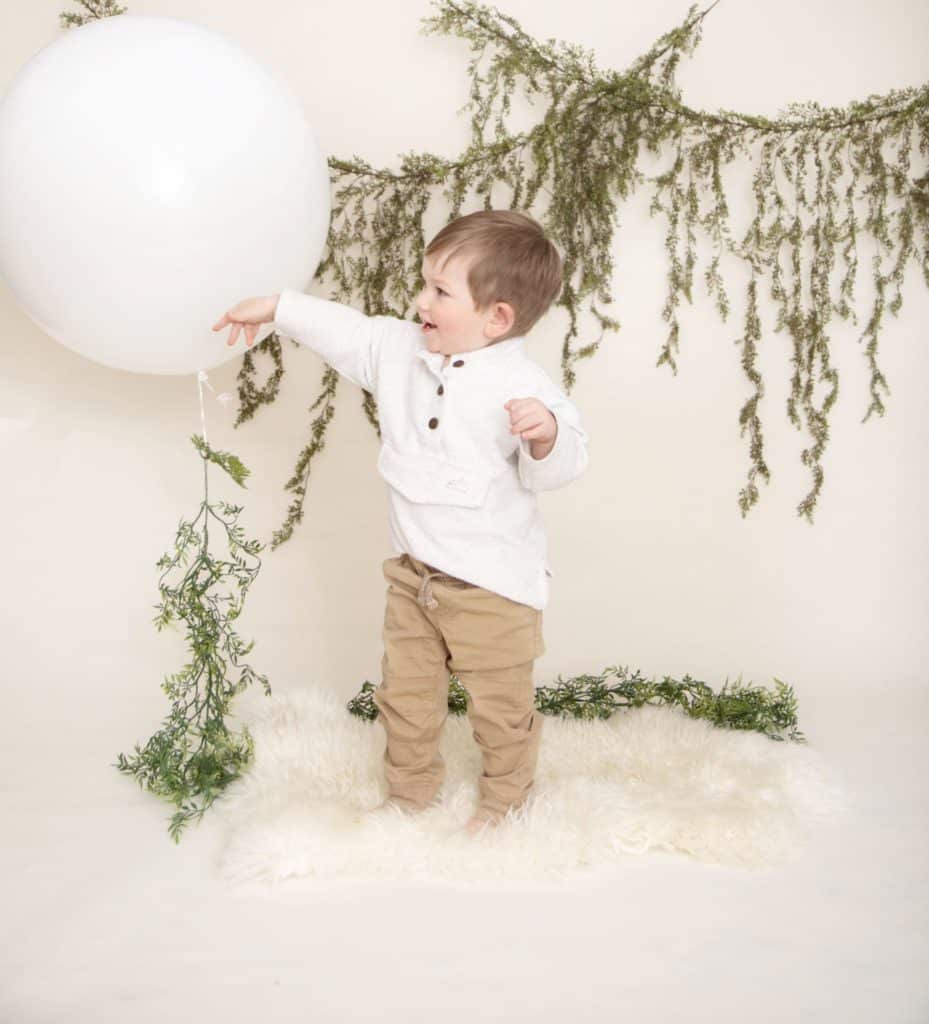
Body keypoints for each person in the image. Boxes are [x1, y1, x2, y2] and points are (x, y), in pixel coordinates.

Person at [212, 209, 590, 839]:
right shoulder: (401, 351)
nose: (421, 301)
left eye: (440, 292)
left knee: (502, 710)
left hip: (495, 589)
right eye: (426, 284)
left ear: (497, 317)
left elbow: (560, 466)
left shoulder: (524, 386)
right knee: (406, 698)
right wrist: (278, 307)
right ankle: (410, 792)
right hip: (414, 578)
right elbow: (348, 332)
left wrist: (547, 436)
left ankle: (505, 799)